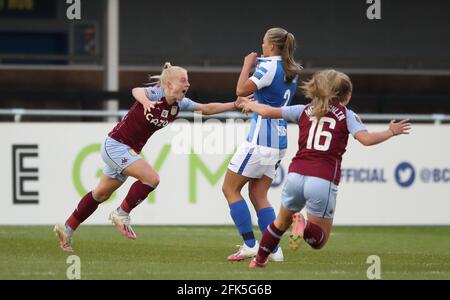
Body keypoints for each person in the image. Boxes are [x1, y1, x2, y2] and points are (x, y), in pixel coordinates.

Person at [53, 62, 248, 252]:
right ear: (169, 83)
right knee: (152, 178)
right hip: (116, 145)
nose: (187, 84)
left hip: (127, 150)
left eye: (187, 81)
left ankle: (67, 229)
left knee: (101, 194)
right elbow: (136, 90)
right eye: (183, 80)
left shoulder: (179, 104)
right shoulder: (157, 93)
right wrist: (146, 101)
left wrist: (234, 104)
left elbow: (206, 109)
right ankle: (121, 213)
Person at [241, 69, 411, 268]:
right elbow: (365, 140)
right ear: (346, 96)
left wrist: (250, 104)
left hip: (296, 175)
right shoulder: (347, 115)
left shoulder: (303, 110)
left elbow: (268, 112)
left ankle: (259, 260)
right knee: (319, 240)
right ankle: (302, 224)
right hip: (322, 179)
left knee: (279, 223)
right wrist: (390, 131)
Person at [222, 27, 302, 262]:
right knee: (258, 194)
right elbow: (270, 97)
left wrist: (247, 64)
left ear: (272, 46)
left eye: (264, 43)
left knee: (230, 189)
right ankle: (274, 250)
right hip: (279, 140)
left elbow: (240, 90)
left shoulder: (267, 66)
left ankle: (250, 245)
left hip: (259, 140)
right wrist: (254, 103)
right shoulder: (291, 71)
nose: (262, 47)